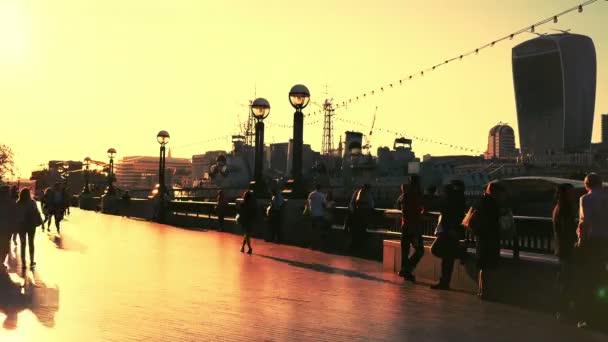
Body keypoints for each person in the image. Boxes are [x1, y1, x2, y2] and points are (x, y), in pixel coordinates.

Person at [574, 173, 608, 328]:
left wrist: (580, 241)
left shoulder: (586, 199)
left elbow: (584, 222)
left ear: (587, 184)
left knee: (590, 277)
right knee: (602, 274)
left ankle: (590, 316)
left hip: (593, 241)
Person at [473, 182, 506, 300]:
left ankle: (482, 291)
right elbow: (492, 222)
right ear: (495, 192)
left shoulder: (482, 202)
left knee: (484, 266)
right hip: (489, 239)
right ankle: (486, 292)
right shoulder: (491, 204)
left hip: (482, 239)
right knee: (488, 266)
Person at [430, 182, 466, 290]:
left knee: (440, 252)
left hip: (448, 232)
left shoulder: (449, 202)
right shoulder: (459, 200)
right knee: (447, 258)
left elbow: (447, 216)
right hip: (452, 232)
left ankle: (459, 253)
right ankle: (444, 282)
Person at [552, 183, 578, 321]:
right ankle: (563, 311)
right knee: (567, 281)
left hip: (562, 248)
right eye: (571, 192)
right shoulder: (565, 209)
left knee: (564, 280)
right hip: (567, 249)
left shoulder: (559, 207)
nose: (574, 194)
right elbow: (567, 230)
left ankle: (562, 311)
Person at [398, 176, 424, 282]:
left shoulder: (405, 194)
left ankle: (405, 270)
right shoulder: (416, 194)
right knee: (419, 250)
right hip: (414, 226)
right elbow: (421, 207)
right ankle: (407, 269)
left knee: (405, 250)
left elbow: (400, 206)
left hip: (405, 225)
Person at [15, 188, 43, 271]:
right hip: (31, 225)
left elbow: (16, 215)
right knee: (31, 243)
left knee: (23, 244)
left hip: (21, 226)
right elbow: (37, 212)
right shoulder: (32, 202)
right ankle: (31, 261)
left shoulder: (18, 203)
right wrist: (41, 222)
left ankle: (23, 263)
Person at [0, 186, 17, 273]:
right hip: (7, 228)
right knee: (5, 245)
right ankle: (1, 262)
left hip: (5, 227)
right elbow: (14, 216)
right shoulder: (11, 203)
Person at [307, 184, 327, 249]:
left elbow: (308, 203)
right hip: (320, 215)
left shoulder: (311, 194)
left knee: (312, 230)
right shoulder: (322, 195)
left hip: (312, 214)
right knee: (319, 231)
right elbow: (324, 205)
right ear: (320, 188)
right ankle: (319, 246)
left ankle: (312, 245)